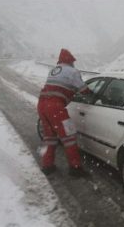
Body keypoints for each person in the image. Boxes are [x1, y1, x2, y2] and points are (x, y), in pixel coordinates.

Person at [37, 48, 91, 177]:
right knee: (69, 136)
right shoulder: (73, 71)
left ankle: (47, 166)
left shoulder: (53, 70)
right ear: (71, 61)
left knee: (50, 138)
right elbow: (83, 89)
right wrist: (92, 94)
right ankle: (75, 168)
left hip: (42, 105)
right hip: (56, 107)